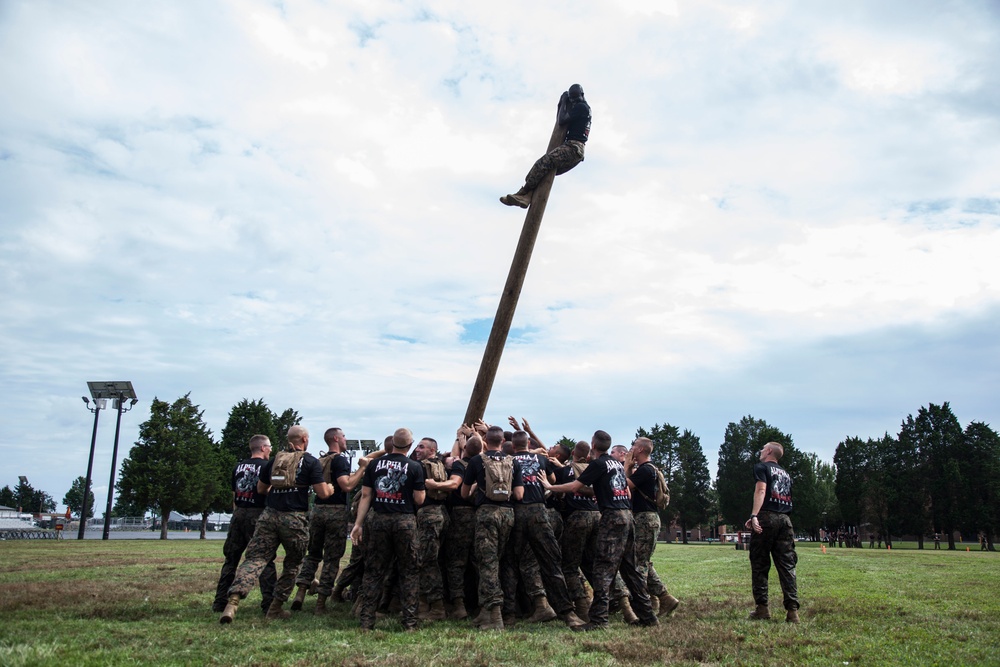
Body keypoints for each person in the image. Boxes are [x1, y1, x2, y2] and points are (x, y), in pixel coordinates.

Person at [542, 430, 658, 631]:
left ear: (593, 446)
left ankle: (598, 620)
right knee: (630, 569)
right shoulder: (617, 465)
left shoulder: (598, 464)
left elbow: (575, 487)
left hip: (612, 518)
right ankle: (648, 617)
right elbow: (627, 492)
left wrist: (549, 486)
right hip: (628, 516)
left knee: (602, 569)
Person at [220, 426, 334, 624]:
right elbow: (322, 493)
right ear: (305, 439)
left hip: (269, 516)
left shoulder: (275, 460)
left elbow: (261, 488)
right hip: (294, 519)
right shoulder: (309, 461)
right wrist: (330, 489)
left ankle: (232, 603)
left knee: (255, 559)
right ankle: (275, 608)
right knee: (292, 565)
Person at [506, 430, 586, 628]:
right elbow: (552, 482)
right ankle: (569, 614)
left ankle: (508, 614)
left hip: (516, 512)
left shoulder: (507, 460)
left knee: (509, 563)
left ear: (513, 446)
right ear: (528, 444)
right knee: (551, 562)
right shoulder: (541, 459)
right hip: (539, 512)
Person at [350, 428, 426, 632]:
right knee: (409, 571)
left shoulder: (374, 464)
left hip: (378, 520)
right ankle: (410, 623)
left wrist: (358, 524)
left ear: (392, 443)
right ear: (410, 445)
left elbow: (366, 496)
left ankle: (366, 622)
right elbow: (419, 499)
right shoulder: (415, 466)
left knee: (374, 571)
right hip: (405, 521)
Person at [290, 427, 368, 613]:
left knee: (313, 554)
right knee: (332, 559)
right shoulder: (340, 460)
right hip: (335, 511)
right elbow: (346, 485)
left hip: (317, 510)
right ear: (336, 438)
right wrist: (362, 469)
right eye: (343, 436)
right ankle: (321, 603)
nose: (345, 440)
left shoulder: (321, 459)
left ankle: (300, 593)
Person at [462, 425, 524, 630]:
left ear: (485, 441)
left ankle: (496, 616)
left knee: (487, 564)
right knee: (497, 561)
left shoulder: (477, 461)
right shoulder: (512, 461)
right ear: (502, 442)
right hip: (507, 515)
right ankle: (485, 612)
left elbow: (463, 493)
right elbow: (519, 494)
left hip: (486, 513)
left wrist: (475, 488)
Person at [212, 435, 277, 615]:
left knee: (231, 560)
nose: (271, 450)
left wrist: (237, 513)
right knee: (263, 559)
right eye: (269, 447)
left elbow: (235, 494)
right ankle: (269, 604)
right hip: (258, 514)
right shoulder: (267, 466)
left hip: (239, 513)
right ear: (263, 448)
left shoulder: (238, 466)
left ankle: (219, 602)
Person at [500, 84, 591, 209]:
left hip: (574, 148)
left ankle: (523, 192)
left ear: (582, 95)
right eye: (572, 99)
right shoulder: (581, 107)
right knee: (543, 173)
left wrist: (563, 102)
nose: (574, 101)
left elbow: (561, 120)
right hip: (575, 151)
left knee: (544, 162)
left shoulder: (582, 107)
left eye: (575, 98)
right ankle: (527, 197)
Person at [745, 442, 800, 623]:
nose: (760, 451)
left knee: (760, 564)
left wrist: (754, 515)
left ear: (769, 451)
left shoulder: (761, 467)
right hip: (785, 520)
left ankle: (762, 609)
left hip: (766, 519)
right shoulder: (786, 474)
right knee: (787, 566)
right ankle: (792, 611)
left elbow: (761, 490)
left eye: (763, 448)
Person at [625, 437, 680, 617]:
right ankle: (663, 598)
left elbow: (624, 487)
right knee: (643, 561)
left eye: (633, 446)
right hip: (647, 519)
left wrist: (626, 466)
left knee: (639, 564)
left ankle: (651, 602)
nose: (631, 448)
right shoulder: (649, 469)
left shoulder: (645, 470)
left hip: (644, 519)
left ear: (640, 450)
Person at [412, 436, 452, 621]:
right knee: (432, 559)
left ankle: (436, 607)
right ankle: (424, 602)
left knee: (427, 561)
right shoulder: (443, 464)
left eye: (422, 447)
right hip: (442, 513)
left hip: (428, 515)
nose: (417, 449)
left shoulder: (420, 467)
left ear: (432, 450)